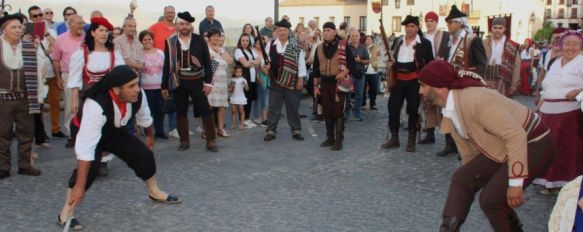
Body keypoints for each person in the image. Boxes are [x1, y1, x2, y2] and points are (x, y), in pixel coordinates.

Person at [418, 60, 555, 231]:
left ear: (438, 87)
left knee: (491, 199)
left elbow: (515, 135)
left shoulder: (476, 99)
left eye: (423, 85)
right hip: (502, 144)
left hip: (535, 143)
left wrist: (515, 183)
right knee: (462, 178)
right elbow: (470, 151)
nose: (420, 90)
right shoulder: (450, 107)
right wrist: (475, 173)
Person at [57, 65, 182, 231]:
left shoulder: (138, 95)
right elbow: (85, 150)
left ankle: (154, 191)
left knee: (142, 154)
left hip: (113, 130)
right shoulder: (95, 105)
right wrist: (80, 187)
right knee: (90, 168)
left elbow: (145, 117)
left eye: (137, 84)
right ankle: (66, 214)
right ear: (116, 90)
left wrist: (150, 138)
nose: (137, 89)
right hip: (85, 132)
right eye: (131, 86)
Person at [68, 17, 125, 175]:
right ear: (92, 32)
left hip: (108, 99)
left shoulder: (114, 55)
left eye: (106, 31)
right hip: (88, 99)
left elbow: (121, 78)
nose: (104, 33)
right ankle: (86, 161)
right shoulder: (82, 54)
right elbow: (75, 80)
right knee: (85, 130)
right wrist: (74, 100)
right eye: (100, 30)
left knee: (105, 130)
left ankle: (102, 162)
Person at [533, 31, 583, 194]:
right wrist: (540, 103)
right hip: (547, 112)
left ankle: (566, 183)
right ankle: (546, 180)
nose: (571, 47)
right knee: (546, 148)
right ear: (561, 45)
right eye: (567, 43)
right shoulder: (554, 61)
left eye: (575, 44)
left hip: (569, 114)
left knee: (567, 150)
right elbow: (548, 85)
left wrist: (578, 91)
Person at [161, 11, 218, 152]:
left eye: (187, 24)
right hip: (179, 81)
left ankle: (211, 140)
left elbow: (207, 63)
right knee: (181, 111)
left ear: (190, 26)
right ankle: (184, 141)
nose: (184, 26)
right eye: (181, 24)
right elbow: (167, 65)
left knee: (205, 110)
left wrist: (208, 82)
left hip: (197, 81)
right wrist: (164, 86)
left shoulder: (199, 40)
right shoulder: (170, 42)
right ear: (177, 25)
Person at [435, 5, 487, 158]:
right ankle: (450, 144)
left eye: (451, 22)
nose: (448, 25)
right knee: (449, 113)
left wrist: (470, 79)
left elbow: (481, 64)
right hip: (450, 82)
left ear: (459, 23)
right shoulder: (449, 40)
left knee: (465, 116)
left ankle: (466, 146)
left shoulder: (472, 40)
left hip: (465, 83)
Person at [0, 14, 44, 179]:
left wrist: (39, 96)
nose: (18, 30)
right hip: (2, 99)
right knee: (2, 134)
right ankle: (3, 167)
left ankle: (25, 165)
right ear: (4, 30)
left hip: (24, 97)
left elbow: (39, 72)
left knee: (26, 133)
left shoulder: (28, 46)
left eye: (20, 27)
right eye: (14, 27)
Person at [381, 15, 434, 152]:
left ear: (417, 28)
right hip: (398, 81)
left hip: (414, 82)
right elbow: (391, 57)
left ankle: (411, 140)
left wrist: (426, 83)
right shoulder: (398, 41)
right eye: (407, 26)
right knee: (393, 109)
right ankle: (394, 138)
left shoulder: (425, 44)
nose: (409, 29)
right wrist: (390, 63)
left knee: (413, 110)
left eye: (412, 26)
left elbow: (429, 65)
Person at [312, 22, 355, 151]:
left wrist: (344, 73)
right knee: (327, 111)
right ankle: (330, 137)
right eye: (324, 30)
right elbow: (315, 68)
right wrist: (315, 86)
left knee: (338, 112)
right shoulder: (319, 47)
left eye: (328, 30)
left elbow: (352, 64)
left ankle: (338, 140)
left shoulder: (343, 46)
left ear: (335, 32)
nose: (326, 32)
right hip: (324, 83)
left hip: (338, 84)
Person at [263, 19, 307, 141]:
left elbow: (301, 63)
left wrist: (300, 80)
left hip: (291, 82)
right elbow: (264, 62)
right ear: (277, 31)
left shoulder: (295, 45)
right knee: (273, 107)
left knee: (293, 106)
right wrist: (265, 67)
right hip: (275, 82)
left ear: (289, 31)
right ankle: (271, 130)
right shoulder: (270, 45)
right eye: (280, 30)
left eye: (285, 30)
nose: (282, 32)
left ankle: (296, 130)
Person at [52, 14, 85, 148]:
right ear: (69, 24)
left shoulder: (87, 38)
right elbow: (56, 59)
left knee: (85, 106)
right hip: (68, 75)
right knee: (71, 106)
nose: (81, 26)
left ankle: (84, 134)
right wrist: (59, 77)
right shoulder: (60, 39)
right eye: (78, 23)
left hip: (85, 75)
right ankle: (72, 135)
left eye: (82, 23)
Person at [418, 11, 449, 145]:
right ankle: (430, 134)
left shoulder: (444, 36)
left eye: (432, 21)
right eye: (428, 21)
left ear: (436, 22)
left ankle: (449, 139)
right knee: (428, 105)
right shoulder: (421, 37)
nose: (430, 23)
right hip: (426, 75)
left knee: (444, 106)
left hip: (441, 75)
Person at [483, 17, 521, 97]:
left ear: (505, 29)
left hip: (503, 79)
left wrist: (514, 84)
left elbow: (517, 66)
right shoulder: (484, 43)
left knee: (501, 106)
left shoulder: (512, 46)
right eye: (495, 28)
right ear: (491, 28)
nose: (497, 30)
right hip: (486, 78)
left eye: (500, 28)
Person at [140, 30, 167, 139]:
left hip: (160, 87)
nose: (147, 41)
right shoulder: (140, 54)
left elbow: (166, 70)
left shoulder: (160, 53)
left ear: (153, 40)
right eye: (144, 39)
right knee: (148, 111)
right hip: (146, 88)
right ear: (141, 41)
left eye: (149, 39)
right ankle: (149, 133)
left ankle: (160, 131)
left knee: (160, 111)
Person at [206, 27, 232, 137]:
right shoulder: (206, 49)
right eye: (214, 36)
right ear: (209, 37)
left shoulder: (221, 49)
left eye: (218, 36)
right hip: (211, 83)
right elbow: (207, 66)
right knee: (210, 107)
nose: (216, 38)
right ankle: (209, 130)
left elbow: (230, 61)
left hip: (222, 84)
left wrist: (220, 51)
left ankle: (220, 129)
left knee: (222, 107)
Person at [235, 33, 260, 128]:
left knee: (249, 99)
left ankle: (247, 119)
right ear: (240, 41)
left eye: (247, 41)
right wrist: (253, 62)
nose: (245, 42)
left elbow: (259, 61)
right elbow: (245, 64)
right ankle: (243, 120)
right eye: (243, 41)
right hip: (244, 78)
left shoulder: (251, 50)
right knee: (244, 99)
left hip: (252, 78)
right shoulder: (238, 51)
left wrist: (252, 62)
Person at [346, 29, 370, 121]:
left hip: (360, 74)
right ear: (350, 37)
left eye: (356, 36)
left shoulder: (363, 48)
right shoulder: (347, 48)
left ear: (359, 37)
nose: (355, 37)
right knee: (347, 95)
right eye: (353, 36)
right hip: (350, 74)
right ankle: (346, 113)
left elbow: (368, 61)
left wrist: (360, 61)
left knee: (359, 95)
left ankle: (357, 113)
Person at [363, 35, 380, 111]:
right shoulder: (362, 48)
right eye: (367, 39)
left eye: (370, 39)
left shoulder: (376, 47)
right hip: (364, 71)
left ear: (372, 41)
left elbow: (380, 56)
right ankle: (363, 104)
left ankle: (372, 104)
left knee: (374, 89)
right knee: (363, 89)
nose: (368, 40)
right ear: (365, 40)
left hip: (373, 71)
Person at [230, 65, 249, 130]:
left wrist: (245, 84)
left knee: (241, 111)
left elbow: (247, 89)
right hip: (234, 97)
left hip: (241, 97)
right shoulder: (232, 79)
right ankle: (233, 125)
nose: (238, 73)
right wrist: (232, 87)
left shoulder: (243, 80)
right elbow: (231, 90)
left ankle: (241, 124)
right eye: (237, 72)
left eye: (240, 72)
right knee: (233, 111)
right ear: (234, 73)